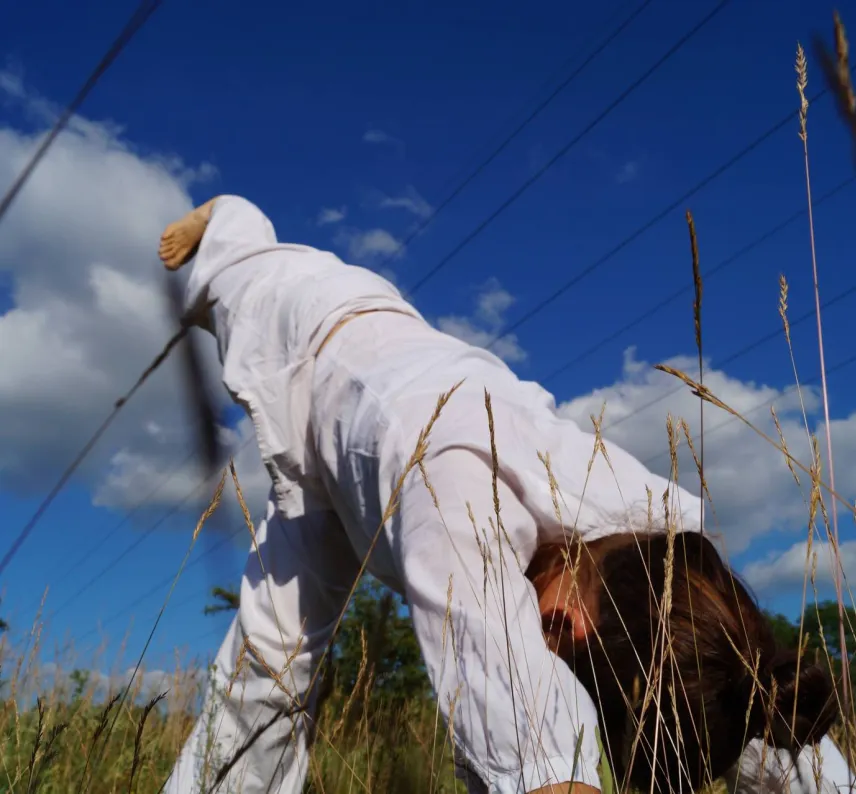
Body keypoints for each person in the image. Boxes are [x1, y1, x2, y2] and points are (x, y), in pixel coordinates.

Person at [159, 195, 849, 794]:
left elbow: (747, 683)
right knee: (269, 674)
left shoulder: (662, 539)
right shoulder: (454, 497)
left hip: (403, 426)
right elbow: (528, 744)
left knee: (714, 681)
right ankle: (228, 215)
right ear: (563, 630)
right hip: (322, 332)